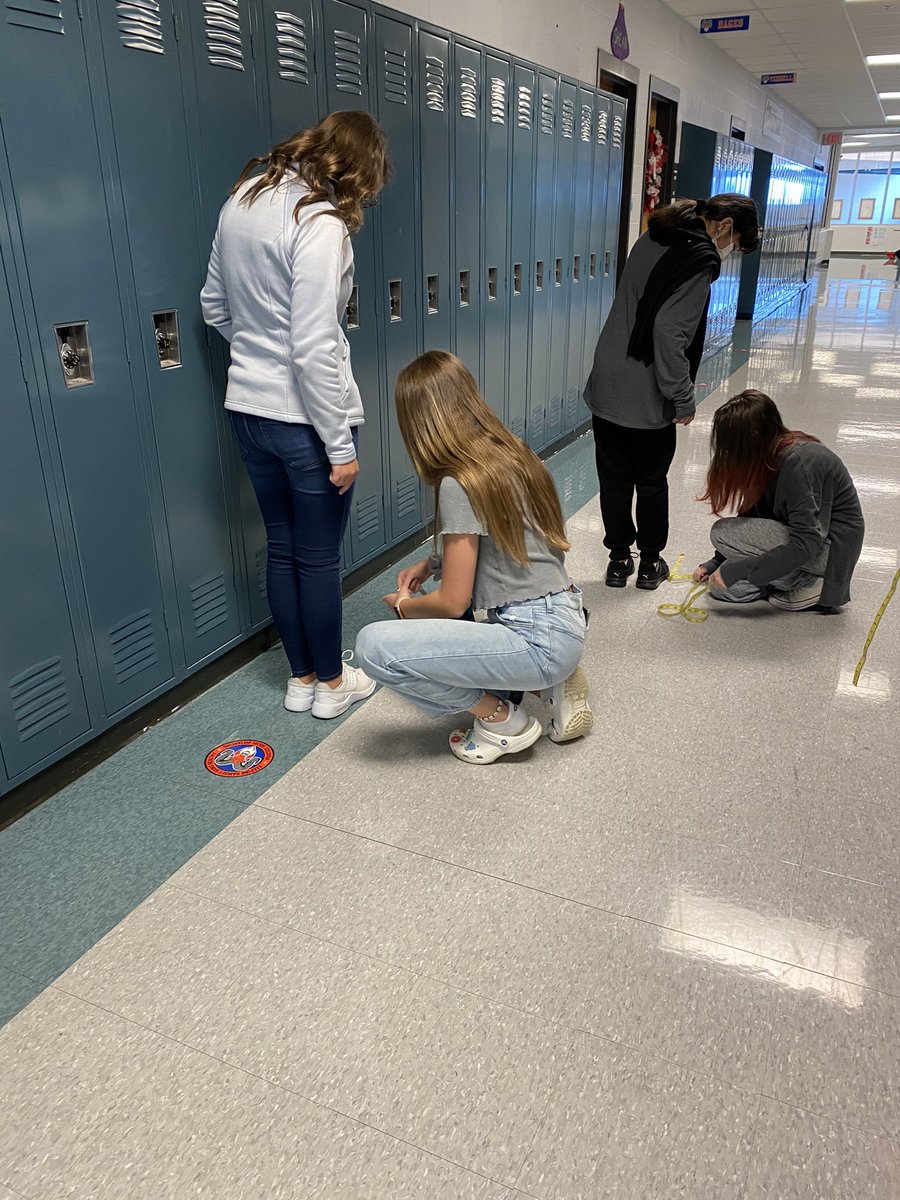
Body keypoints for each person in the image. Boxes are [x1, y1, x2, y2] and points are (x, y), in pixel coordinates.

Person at [201, 111, 390, 718]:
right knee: (318, 557)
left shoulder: (243, 199)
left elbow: (212, 307)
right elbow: (311, 344)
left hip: (247, 411)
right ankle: (334, 686)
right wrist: (339, 445)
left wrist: (258, 354)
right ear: (354, 169)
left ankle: (301, 679)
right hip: (306, 423)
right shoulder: (320, 221)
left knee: (282, 549)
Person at [355, 351, 591, 765]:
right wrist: (431, 564)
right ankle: (549, 685)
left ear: (418, 422)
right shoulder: (507, 452)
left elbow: (453, 603)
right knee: (440, 612)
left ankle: (503, 722)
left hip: (535, 639)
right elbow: (505, 540)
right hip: (563, 613)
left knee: (373, 647)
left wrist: (406, 608)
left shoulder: (457, 482)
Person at [584, 194, 760, 591]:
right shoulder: (700, 259)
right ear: (726, 224)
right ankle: (648, 564)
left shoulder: (656, 232)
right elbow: (669, 334)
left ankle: (617, 562)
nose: (730, 249)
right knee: (650, 479)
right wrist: (681, 396)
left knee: (612, 478)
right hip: (647, 387)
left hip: (609, 374)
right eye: (737, 240)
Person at [692, 389, 864, 611]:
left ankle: (813, 582)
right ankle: (789, 580)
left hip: (828, 550)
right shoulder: (767, 458)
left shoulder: (799, 464)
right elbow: (753, 516)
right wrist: (717, 563)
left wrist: (741, 569)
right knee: (723, 589)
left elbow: (807, 542)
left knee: (721, 532)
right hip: (805, 544)